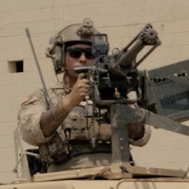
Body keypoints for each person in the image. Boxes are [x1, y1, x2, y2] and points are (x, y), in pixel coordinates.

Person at [18, 19, 149, 173]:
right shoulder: (44, 97)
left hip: (116, 175)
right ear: (60, 57)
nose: (82, 59)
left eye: (90, 53)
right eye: (75, 53)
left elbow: (141, 136)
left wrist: (119, 104)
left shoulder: (114, 94)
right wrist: (67, 103)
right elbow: (31, 132)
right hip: (65, 177)